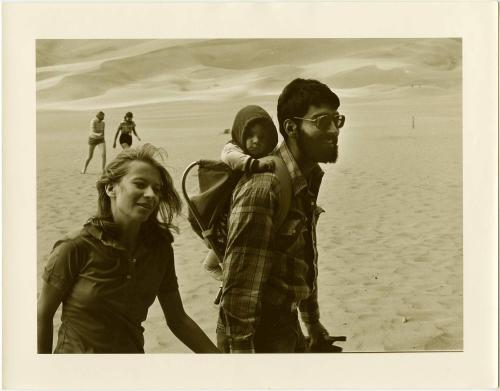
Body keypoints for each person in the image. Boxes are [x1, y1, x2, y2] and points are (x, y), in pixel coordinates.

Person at [38, 144, 219, 353]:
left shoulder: (159, 250)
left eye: (157, 189)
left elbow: (178, 320)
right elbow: (42, 314)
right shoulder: (75, 247)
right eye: (140, 184)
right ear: (111, 188)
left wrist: (223, 363)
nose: (151, 195)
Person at [216, 78, 346, 353]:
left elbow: (302, 259)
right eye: (322, 121)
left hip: (286, 328)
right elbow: (239, 290)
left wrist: (312, 326)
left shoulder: (305, 178)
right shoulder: (265, 186)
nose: (334, 130)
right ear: (291, 127)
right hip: (256, 335)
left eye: (337, 119)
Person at [201, 105, 278, 280]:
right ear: (240, 133)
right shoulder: (233, 147)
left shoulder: (267, 153)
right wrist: (254, 165)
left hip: (243, 205)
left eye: (262, 137)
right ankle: (216, 270)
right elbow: (232, 159)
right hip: (225, 207)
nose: (256, 141)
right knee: (224, 240)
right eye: (250, 135)